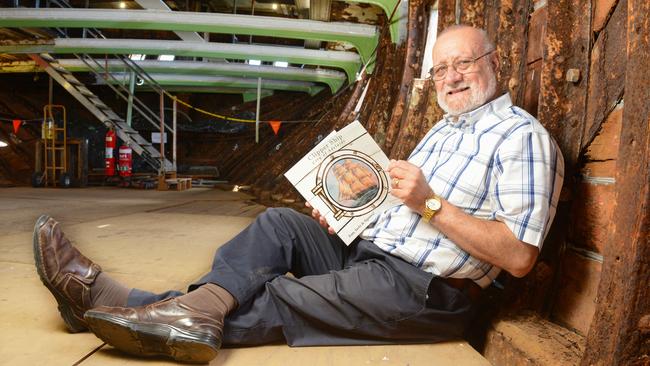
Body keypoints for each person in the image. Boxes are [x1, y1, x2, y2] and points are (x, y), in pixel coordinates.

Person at [33, 25, 564, 364]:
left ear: (495, 63)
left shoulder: (523, 138)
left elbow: (518, 257)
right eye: (442, 68)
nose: (451, 78)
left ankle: (115, 303)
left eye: (464, 63)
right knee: (281, 226)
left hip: (425, 292)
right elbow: (397, 209)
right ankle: (187, 311)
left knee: (282, 297)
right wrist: (343, 216)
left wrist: (428, 201)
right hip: (372, 253)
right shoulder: (445, 129)